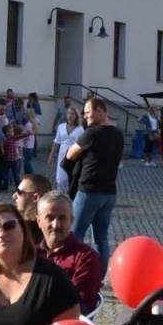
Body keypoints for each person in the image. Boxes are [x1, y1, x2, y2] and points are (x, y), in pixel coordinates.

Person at [65, 96, 124, 264]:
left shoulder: (92, 133)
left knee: (74, 237)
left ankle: (71, 273)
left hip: (89, 191)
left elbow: (70, 154)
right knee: (101, 240)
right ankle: (98, 276)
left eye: (87, 112)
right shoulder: (118, 134)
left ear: (99, 111)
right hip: (109, 193)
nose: (85, 117)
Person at [34, 191, 104, 314]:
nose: (56, 225)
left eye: (62, 218)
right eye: (49, 218)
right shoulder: (30, 254)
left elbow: (81, 305)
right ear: (38, 221)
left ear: (72, 220)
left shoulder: (86, 257)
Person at [50, 107, 83, 193]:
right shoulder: (61, 127)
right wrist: (51, 156)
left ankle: (69, 195)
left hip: (74, 155)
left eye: (72, 114)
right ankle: (61, 194)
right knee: (60, 179)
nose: (70, 115)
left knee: (70, 178)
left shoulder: (80, 129)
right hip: (62, 154)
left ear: (76, 116)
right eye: (68, 113)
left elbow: (82, 144)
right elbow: (56, 142)